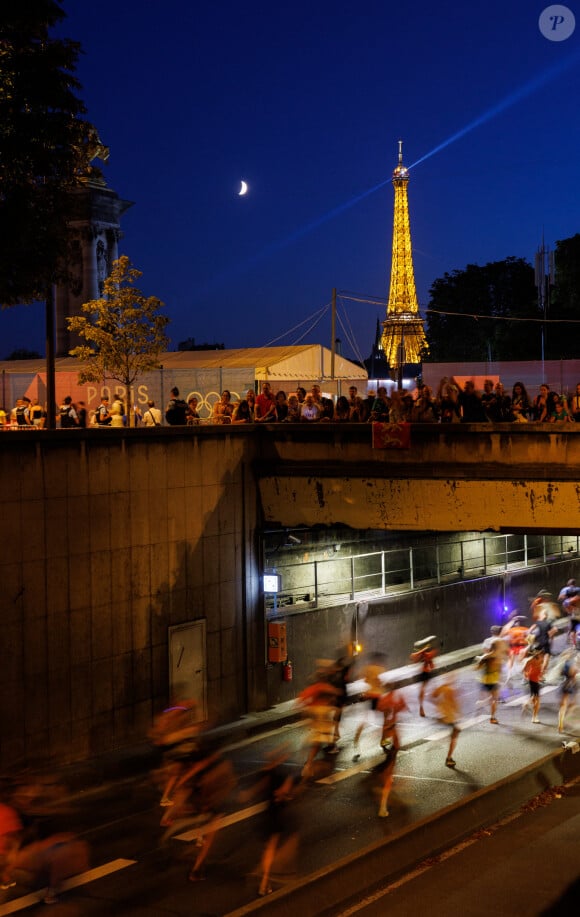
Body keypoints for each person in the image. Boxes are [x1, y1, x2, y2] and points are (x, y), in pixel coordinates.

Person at [375, 688, 407, 816]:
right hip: (391, 752)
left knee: (387, 778)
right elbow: (396, 744)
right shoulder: (390, 726)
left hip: (390, 751)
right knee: (387, 781)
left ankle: (383, 804)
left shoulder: (388, 723)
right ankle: (382, 808)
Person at [430, 676, 461, 768]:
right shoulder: (450, 690)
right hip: (448, 717)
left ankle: (448, 756)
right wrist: (459, 713)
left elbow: (433, 696)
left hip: (442, 715)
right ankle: (449, 758)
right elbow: (454, 704)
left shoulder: (442, 688)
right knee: (455, 735)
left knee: (455, 733)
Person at [410, 635, 438, 717]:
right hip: (423, 673)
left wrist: (424, 651)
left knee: (433, 690)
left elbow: (431, 658)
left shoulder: (428, 653)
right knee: (422, 690)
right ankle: (421, 708)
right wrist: (423, 650)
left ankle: (436, 705)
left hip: (428, 672)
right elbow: (413, 657)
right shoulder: (421, 653)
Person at [557, 650, 578, 733]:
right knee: (570, 704)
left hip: (563, 684)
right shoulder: (570, 664)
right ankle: (562, 724)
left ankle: (561, 724)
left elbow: (560, 673)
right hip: (569, 685)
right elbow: (572, 674)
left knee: (563, 706)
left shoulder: (562, 663)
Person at [522, 646, 543, 724]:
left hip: (535, 679)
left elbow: (539, 669)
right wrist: (527, 675)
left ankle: (526, 704)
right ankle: (534, 717)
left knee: (534, 698)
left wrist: (540, 676)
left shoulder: (539, 658)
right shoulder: (531, 660)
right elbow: (524, 669)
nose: (540, 653)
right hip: (533, 679)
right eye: (539, 651)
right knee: (537, 700)